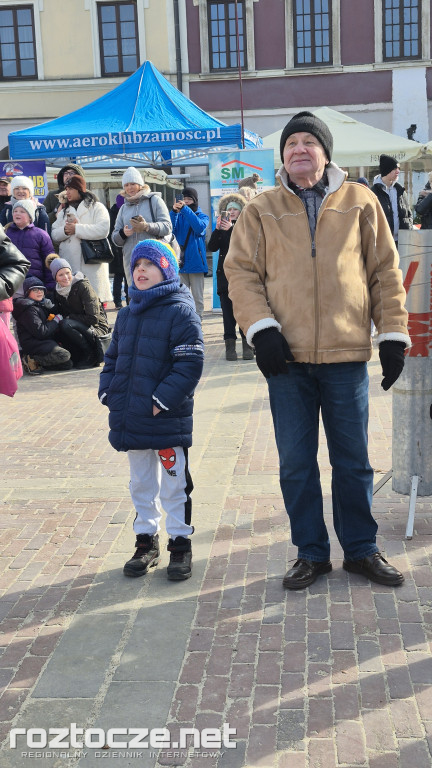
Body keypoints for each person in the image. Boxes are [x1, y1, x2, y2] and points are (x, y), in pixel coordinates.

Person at [224, 110, 410, 590]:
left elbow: (385, 273)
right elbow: (240, 272)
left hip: (347, 355)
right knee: (296, 463)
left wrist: (391, 335)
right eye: (291, 144)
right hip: (286, 360)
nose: (299, 149)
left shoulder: (361, 201)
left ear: (326, 153)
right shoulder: (260, 208)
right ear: (281, 156)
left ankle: (362, 549)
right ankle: (310, 552)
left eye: (309, 141)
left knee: (353, 461)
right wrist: (261, 329)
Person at [98, 239, 204, 581]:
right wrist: (107, 392)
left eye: (149, 264)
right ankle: (146, 540)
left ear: (167, 269)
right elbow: (112, 358)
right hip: (131, 417)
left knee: (174, 484)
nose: (140, 270)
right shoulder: (127, 313)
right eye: (136, 266)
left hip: (165, 417)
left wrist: (161, 401)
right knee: (141, 482)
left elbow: (189, 364)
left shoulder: (180, 309)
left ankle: (180, 544)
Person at [51, 175, 112, 304]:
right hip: (70, 264)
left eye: (70, 189)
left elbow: (103, 229)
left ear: (79, 189)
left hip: (92, 262)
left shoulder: (97, 207)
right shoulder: (63, 211)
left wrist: (77, 229)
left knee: (95, 304)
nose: (67, 193)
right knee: (74, 305)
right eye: (66, 189)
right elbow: (54, 234)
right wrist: (66, 231)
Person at [208, 192, 253, 360]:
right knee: (227, 313)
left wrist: (231, 230)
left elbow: (246, 246)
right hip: (224, 277)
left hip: (241, 276)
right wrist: (218, 230)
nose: (232, 212)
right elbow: (212, 247)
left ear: (241, 211)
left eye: (235, 209)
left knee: (243, 312)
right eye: (229, 209)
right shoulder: (222, 228)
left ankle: (247, 345)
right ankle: (230, 346)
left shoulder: (247, 226)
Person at [112, 167, 172, 287]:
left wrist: (146, 227)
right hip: (132, 262)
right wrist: (123, 233)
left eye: (133, 184)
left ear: (140, 184)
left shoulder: (155, 200)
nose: (129, 188)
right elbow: (115, 239)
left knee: (154, 293)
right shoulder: (123, 208)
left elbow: (167, 227)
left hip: (153, 258)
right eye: (126, 185)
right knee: (136, 298)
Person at [48, 256, 110, 369]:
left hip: (96, 327)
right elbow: (59, 312)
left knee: (66, 324)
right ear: (55, 278)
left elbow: (93, 318)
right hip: (79, 326)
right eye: (61, 275)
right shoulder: (58, 292)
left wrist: (69, 317)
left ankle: (90, 354)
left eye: (67, 272)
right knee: (58, 326)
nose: (66, 277)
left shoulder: (83, 286)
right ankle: (77, 353)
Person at [12, 275, 72, 374]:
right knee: (64, 355)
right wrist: (55, 321)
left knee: (67, 364)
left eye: (41, 289)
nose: (39, 292)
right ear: (28, 293)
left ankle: (36, 364)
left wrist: (51, 308)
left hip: (43, 340)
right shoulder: (29, 309)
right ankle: (30, 359)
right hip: (33, 343)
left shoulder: (39, 304)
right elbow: (41, 332)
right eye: (35, 290)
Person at [170, 187, 209, 319]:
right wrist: (174, 212)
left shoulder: (203, 216)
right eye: (184, 199)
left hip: (196, 262)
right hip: (180, 261)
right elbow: (170, 231)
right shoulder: (178, 216)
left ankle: (198, 322)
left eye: (189, 199)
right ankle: (185, 322)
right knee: (182, 296)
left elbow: (199, 228)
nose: (185, 202)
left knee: (198, 297)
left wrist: (185, 210)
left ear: (195, 200)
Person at [6, 200, 56, 296]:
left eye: (22, 211)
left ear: (30, 217)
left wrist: (50, 285)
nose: (17, 213)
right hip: (11, 282)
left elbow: (49, 261)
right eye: (15, 211)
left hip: (34, 284)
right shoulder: (6, 233)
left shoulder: (41, 234)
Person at [371, 155, 413, 246]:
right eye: (395, 168)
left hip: (402, 242)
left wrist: (408, 228)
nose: (398, 171)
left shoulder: (400, 190)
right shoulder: (373, 192)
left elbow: (409, 213)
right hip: (382, 243)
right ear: (387, 170)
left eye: (398, 168)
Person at [109, 193, 128, 309]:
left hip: (117, 246)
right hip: (118, 246)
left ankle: (118, 301)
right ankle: (121, 301)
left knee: (120, 275)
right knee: (123, 275)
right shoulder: (123, 210)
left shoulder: (112, 211)